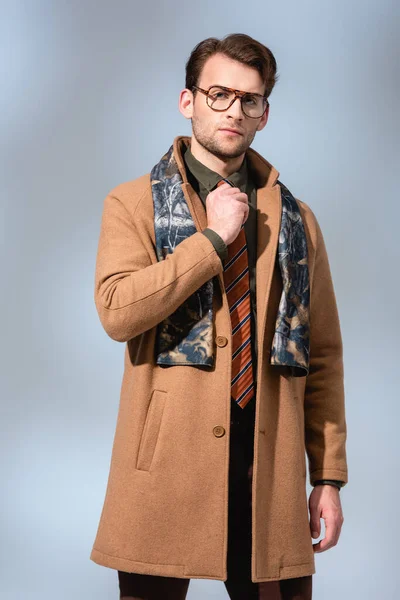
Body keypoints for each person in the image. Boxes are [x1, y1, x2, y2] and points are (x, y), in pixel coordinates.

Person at [90, 33, 348, 599]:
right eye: (219, 94)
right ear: (189, 102)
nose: (234, 110)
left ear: (264, 115)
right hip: (164, 469)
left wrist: (327, 477)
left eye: (249, 100)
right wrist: (210, 241)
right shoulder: (132, 203)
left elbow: (321, 354)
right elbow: (117, 311)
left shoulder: (297, 220)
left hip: (269, 470)